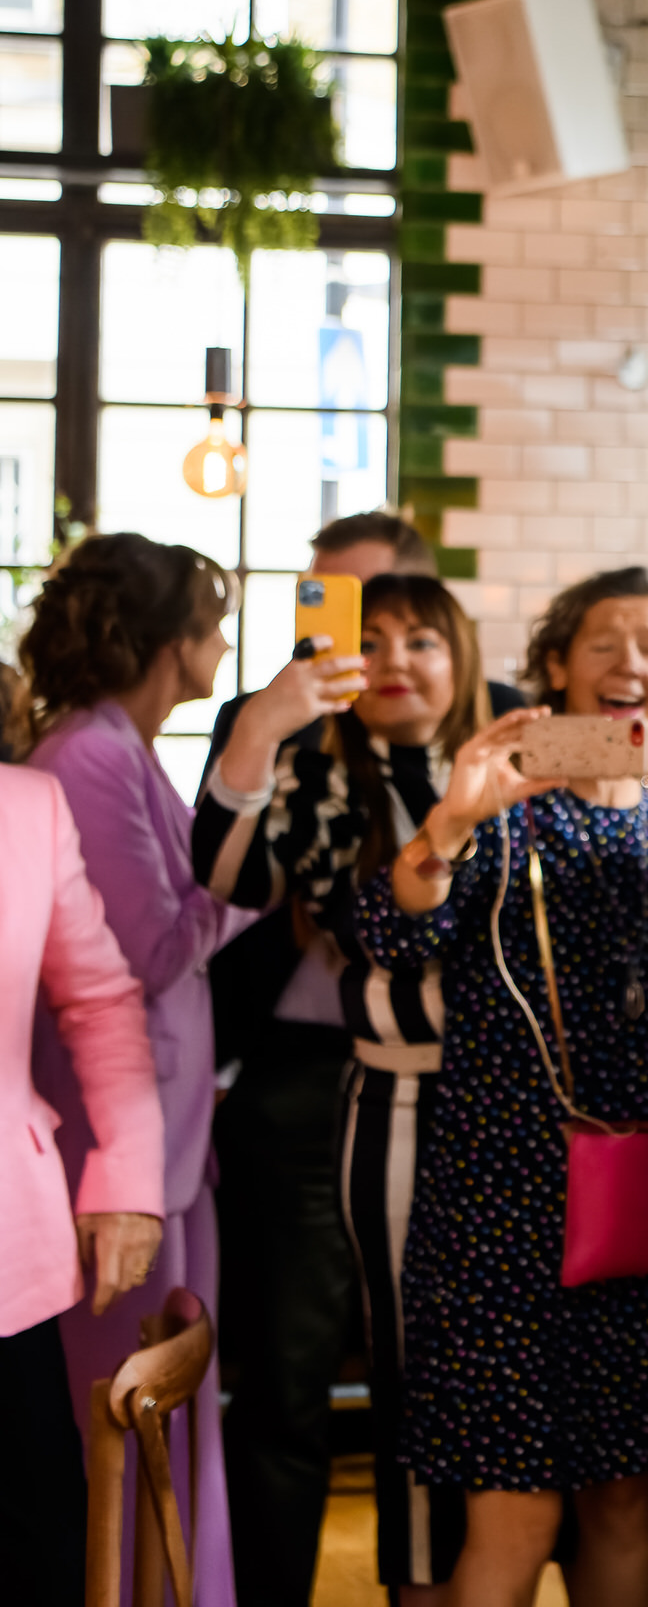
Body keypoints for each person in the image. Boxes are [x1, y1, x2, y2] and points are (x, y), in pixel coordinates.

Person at [352, 567, 648, 1607]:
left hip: (640, 1205)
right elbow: (391, 932)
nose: (629, 664)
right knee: (513, 1511)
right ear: (556, 667)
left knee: (625, 1501)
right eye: (604, 642)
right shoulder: (502, 811)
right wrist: (451, 822)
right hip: (500, 1206)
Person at [204, 511, 524, 1607]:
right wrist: (271, 726)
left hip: (467, 1088)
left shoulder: (496, 734)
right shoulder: (279, 727)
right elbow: (228, 886)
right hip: (302, 1071)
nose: (365, 643)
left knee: (437, 1372)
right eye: (333, 607)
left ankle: (429, 1582)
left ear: (439, 618)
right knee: (285, 1374)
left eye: (396, 618)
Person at [22, 532, 258, 1607]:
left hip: (165, 1134)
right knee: (118, 1415)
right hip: (107, 1149)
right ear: (174, 642)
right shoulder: (85, 759)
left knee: (168, 1403)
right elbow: (144, 955)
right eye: (214, 626)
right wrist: (254, 895)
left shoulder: (124, 747)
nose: (224, 647)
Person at [0, 763, 162, 1607]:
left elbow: (100, 1000)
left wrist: (127, 1177)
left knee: (38, 1555)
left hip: (7, 1255)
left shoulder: (27, 806)